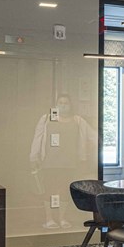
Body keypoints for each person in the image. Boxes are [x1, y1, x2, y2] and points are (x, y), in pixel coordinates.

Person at [30, 94, 96, 229]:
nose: (63, 105)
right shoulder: (46, 119)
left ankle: (62, 218)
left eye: (66, 103)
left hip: (70, 163)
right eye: (61, 102)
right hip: (49, 162)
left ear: (71, 105)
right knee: (49, 189)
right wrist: (33, 157)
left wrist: (89, 153)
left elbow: (93, 137)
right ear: (56, 104)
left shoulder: (78, 121)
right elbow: (37, 138)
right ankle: (49, 219)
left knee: (65, 190)